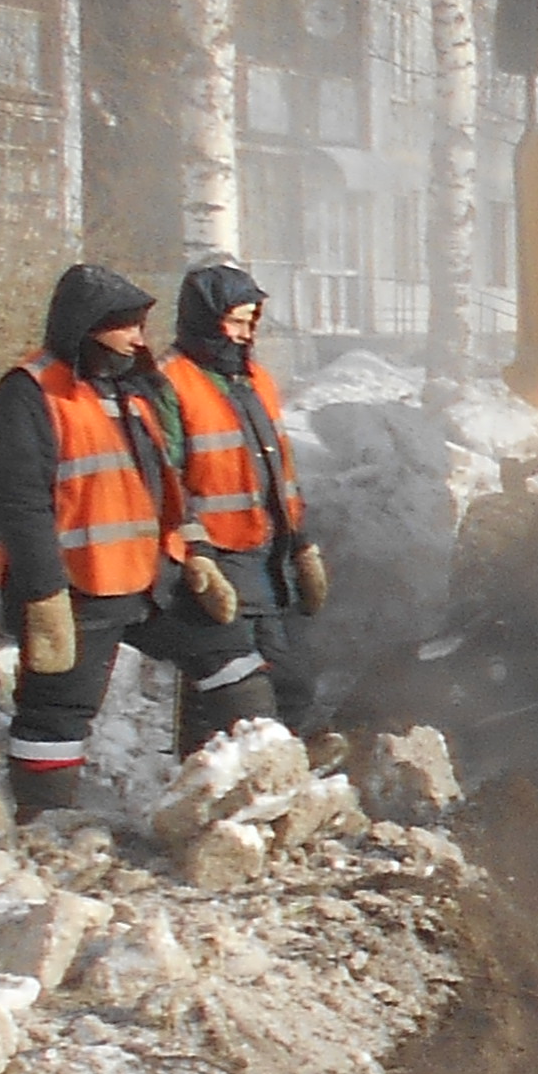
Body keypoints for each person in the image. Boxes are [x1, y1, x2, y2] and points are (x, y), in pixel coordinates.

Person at [0, 265, 246, 818]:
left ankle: (221, 799)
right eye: (126, 328)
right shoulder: (28, 393)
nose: (138, 340)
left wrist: (195, 553)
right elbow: (17, 502)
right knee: (56, 712)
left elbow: (166, 486)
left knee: (233, 661)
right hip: (78, 588)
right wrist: (42, 593)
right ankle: (45, 828)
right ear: (87, 327)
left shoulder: (132, 389)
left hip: (150, 581)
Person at [163, 256, 330, 733]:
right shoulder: (170, 382)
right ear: (206, 320)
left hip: (269, 556)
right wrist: (195, 555)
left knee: (292, 682)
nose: (243, 333)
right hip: (219, 558)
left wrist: (301, 542)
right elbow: (168, 482)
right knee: (231, 690)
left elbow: (280, 472)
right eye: (235, 321)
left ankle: (278, 777)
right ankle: (212, 783)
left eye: (249, 322)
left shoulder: (256, 381)